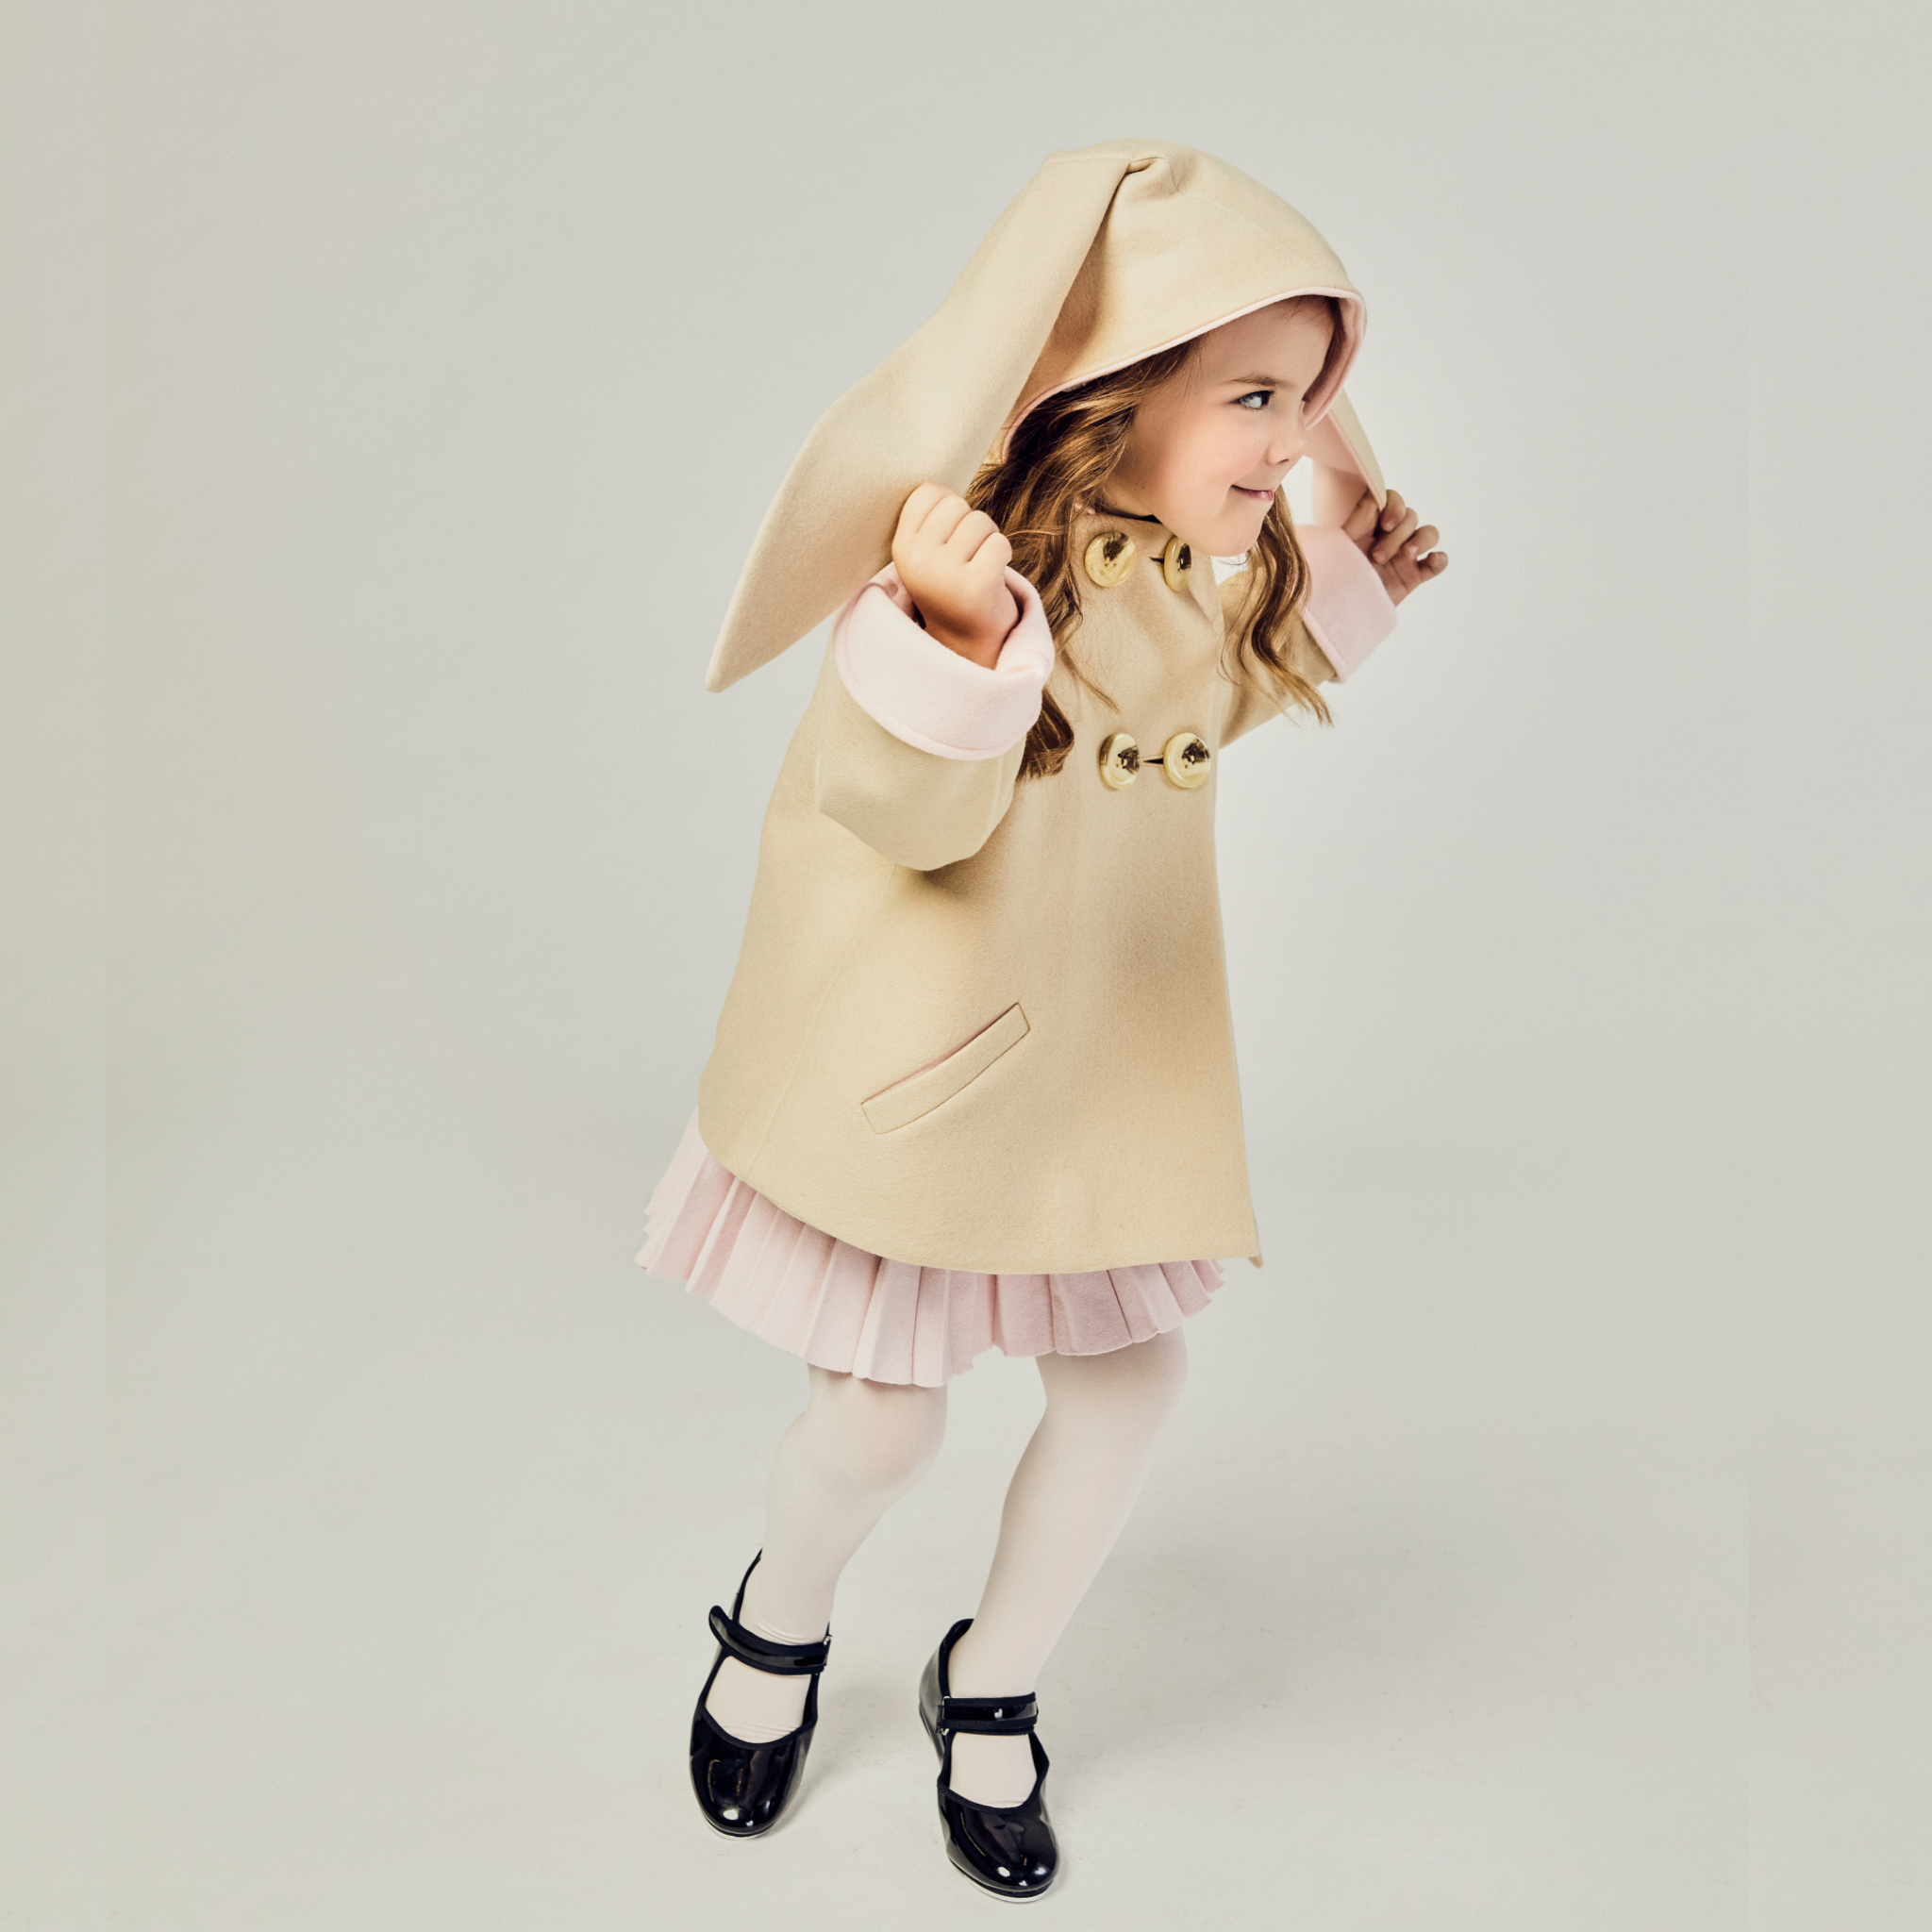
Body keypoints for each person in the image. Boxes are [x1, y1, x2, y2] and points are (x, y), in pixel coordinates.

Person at [638, 138, 1447, 1900]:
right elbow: (910, 815)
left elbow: (1196, 710)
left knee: (1130, 1388)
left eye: (1307, 401)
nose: (1293, 442)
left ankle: (991, 1681)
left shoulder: (1177, 574)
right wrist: (952, 633)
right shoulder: (964, 569)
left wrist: (1348, 586)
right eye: (1254, 397)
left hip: (1091, 1065)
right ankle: (777, 1623)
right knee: (879, 1421)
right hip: (925, 1071)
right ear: (1116, 385)